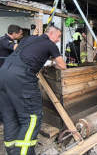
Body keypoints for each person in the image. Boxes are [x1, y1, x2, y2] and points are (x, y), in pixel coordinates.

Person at [0, 25, 66, 155]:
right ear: (51, 34)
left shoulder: (27, 39)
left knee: (10, 116)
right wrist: (53, 63)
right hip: (22, 78)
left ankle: (12, 151)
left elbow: (28, 54)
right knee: (32, 118)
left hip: (3, 74)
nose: (58, 40)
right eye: (58, 36)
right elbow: (63, 65)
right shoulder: (50, 44)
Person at [0, 25, 23, 123]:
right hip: (2, 72)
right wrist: (30, 42)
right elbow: (15, 48)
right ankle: (2, 117)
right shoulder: (4, 40)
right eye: (21, 34)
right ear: (14, 34)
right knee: (3, 94)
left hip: (5, 71)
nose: (21, 36)